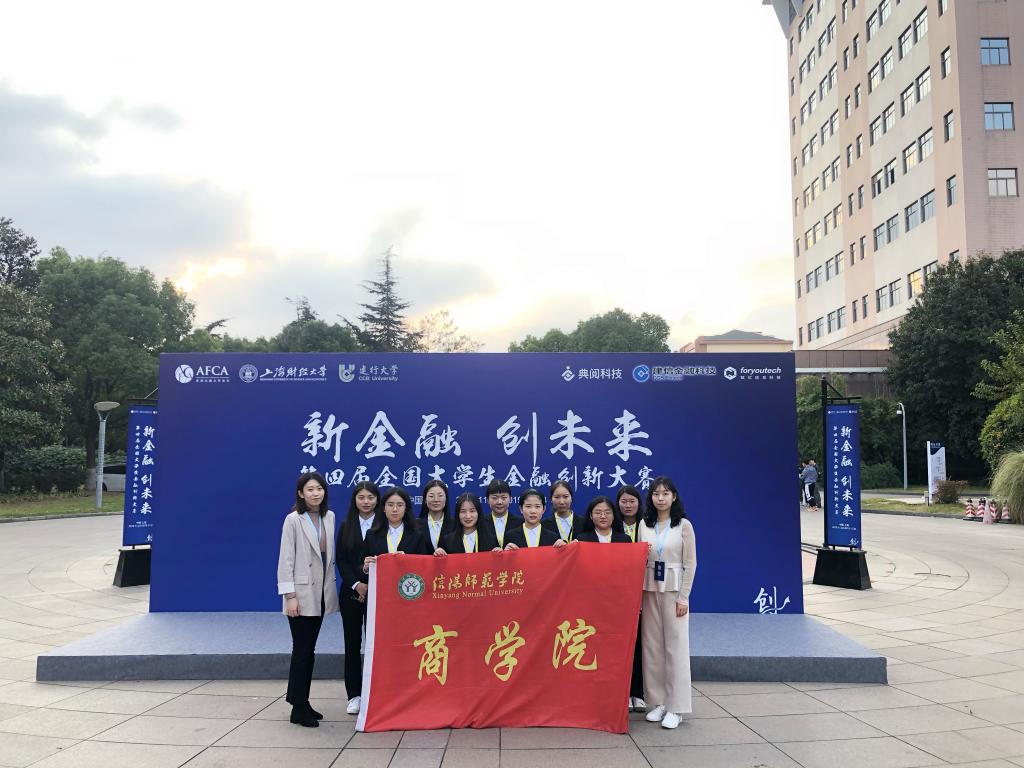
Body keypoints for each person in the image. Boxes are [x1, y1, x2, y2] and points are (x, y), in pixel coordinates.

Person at [277, 471, 340, 728]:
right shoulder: (293, 520)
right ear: (301, 493)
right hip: (301, 595)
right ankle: (298, 707)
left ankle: (302, 701)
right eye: (310, 489)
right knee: (302, 651)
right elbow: (286, 559)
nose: (316, 493)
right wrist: (290, 596)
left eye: (319, 489)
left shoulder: (329, 516)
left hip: (321, 593)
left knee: (309, 650)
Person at [639, 476, 696, 730]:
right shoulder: (645, 524)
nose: (660, 498)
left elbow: (690, 564)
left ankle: (677, 707)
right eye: (656, 494)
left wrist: (684, 597)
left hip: (674, 591)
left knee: (676, 648)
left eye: (665, 493)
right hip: (649, 589)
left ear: (674, 497)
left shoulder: (683, 525)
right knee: (652, 647)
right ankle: (659, 702)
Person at [335, 480, 380, 716]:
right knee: (352, 644)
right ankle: (354, 695)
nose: (366, 502)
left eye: (370, 497)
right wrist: (357, 585)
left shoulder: (384, 525)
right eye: (361, 497)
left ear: (377, 500)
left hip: (380, 593)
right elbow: (341, 560)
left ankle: (377, 692)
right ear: (354, 500)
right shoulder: (346, 526)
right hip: (352, 594)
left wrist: (370, 585)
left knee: (377, 644)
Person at [616, 484, 646, 712]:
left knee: (640, 644)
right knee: (620, 644)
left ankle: (639, 693)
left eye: (632, 501)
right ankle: (623, 693)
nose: (628, 505)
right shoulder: (613, 527)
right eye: (623, 501)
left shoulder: (648, 525)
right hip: (618, 592)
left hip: (645, 589)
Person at [362, 487, 429, 571]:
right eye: (390, 505)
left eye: (400, 505)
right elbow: (360, 565)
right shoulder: (371, 535)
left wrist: (408, 560)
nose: (395, 509)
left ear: (406, 508)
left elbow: (423, 565)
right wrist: (366, 568)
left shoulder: (417, 535)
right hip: (380, 579)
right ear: (384, 508)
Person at [433, 492, 500, 554]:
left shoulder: (491, 539)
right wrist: (439, 553)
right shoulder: (448, 541)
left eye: (472, 511)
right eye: (463, 511)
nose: (468, 516)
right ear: (458, 514)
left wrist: (499, 553)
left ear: (478, 512)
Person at [480, 479, 523, 549]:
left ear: (510, 499)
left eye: (504, 498)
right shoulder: (481, 523)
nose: (499, 502)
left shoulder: (521, 522)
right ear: (487, 500)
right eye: (495, 498)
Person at [417, 480, 454, 553]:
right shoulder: (415, 525)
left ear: (446, 499)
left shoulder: (455, 525)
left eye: (440, 496)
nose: (436, 500)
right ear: (425, 499)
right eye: (431, 496)